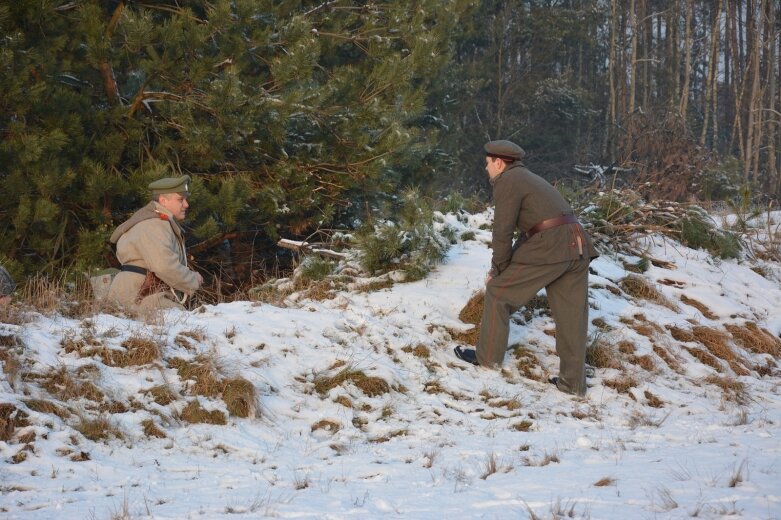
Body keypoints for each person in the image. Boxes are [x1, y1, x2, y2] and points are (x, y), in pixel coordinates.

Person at [454, 140, 598, 396]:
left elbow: (503, 231)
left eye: (487, 164)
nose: (486, 169)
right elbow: (532, 228)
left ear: (499, 163)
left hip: (552, 244)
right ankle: (573, 383)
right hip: (577, 243)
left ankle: (487, 358)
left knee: (498, 292)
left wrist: (497, 271)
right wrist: (507, 263)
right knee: (572, 316)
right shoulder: (528, 178)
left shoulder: (508, 181)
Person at [107, 175, 203, 315]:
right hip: (142, 297)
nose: (186, 204)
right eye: (180, 199)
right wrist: (192, 279)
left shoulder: (155, 222)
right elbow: (164, 266)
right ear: (163, 201)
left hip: (143, 295)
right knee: (186, 324)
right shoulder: (154, 224)